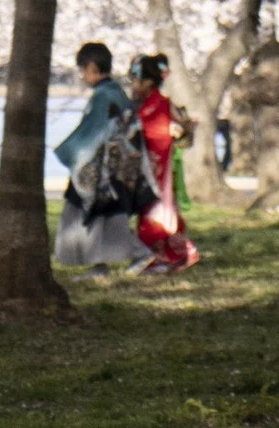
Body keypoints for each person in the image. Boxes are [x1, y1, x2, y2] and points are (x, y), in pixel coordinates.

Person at [53, 42, 148, 268]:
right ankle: (102, 264)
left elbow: (92, 134)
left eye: (83, 69)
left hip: (100, 169)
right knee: (104, 218)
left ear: (93, 67)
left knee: (90, 215)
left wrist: (69, 151)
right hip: (116, 168)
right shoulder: (115, 93)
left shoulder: (103, 96)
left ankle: (136, 254)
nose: (82, 75)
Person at [127, 54, 199, 275]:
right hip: (145, 167)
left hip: (161, 168)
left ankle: (163, 256)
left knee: (158, 212)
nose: (134, 87)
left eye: (137, 81)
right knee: (148, 212)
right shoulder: (141, 106)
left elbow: (185, 135)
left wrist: (182, 131)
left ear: (149, 82)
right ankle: (159, 255)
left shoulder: (164, 105)